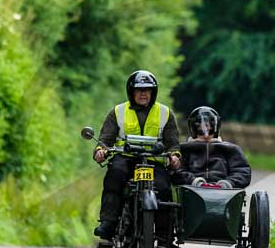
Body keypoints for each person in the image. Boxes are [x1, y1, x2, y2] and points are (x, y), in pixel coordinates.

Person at [93, 70, 181, 239]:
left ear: (153, 92)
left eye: (147, 89)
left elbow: (173, 143)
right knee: (115, 175)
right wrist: (100, 151)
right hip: (125, 159)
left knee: (163, 187)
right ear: (131, 91)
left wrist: (175, 156)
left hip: (153, 162)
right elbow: (105, 139)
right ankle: (108, 223)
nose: (143, 93)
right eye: (139, 89)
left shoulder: (165, 113)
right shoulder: (117, 112)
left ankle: (164, 234)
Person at [170, 106, 251, 188]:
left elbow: (242, 172)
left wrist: (227, 184)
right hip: (191, 192)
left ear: (216, 129)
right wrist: (194, 181)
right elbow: (176, 171)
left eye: (210, 131)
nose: (206, 135)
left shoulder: (231, 149)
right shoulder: (183, 149)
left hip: (225, 193)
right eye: (201, 131)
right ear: (193, 130)